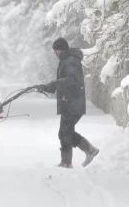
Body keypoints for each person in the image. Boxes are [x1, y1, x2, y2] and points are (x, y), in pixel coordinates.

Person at [38, 37, 99, 168]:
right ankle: (87, 151)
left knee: (65, 132)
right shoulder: (67, 60)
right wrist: (51, 86)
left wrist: (54, 85)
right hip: (70, 102)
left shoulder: (70, 61)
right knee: (66, 131)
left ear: (61, 49)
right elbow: (65, 81)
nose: (55, 54)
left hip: (72, 103)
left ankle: (68, 161)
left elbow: (72, 79)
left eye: (56, 51)